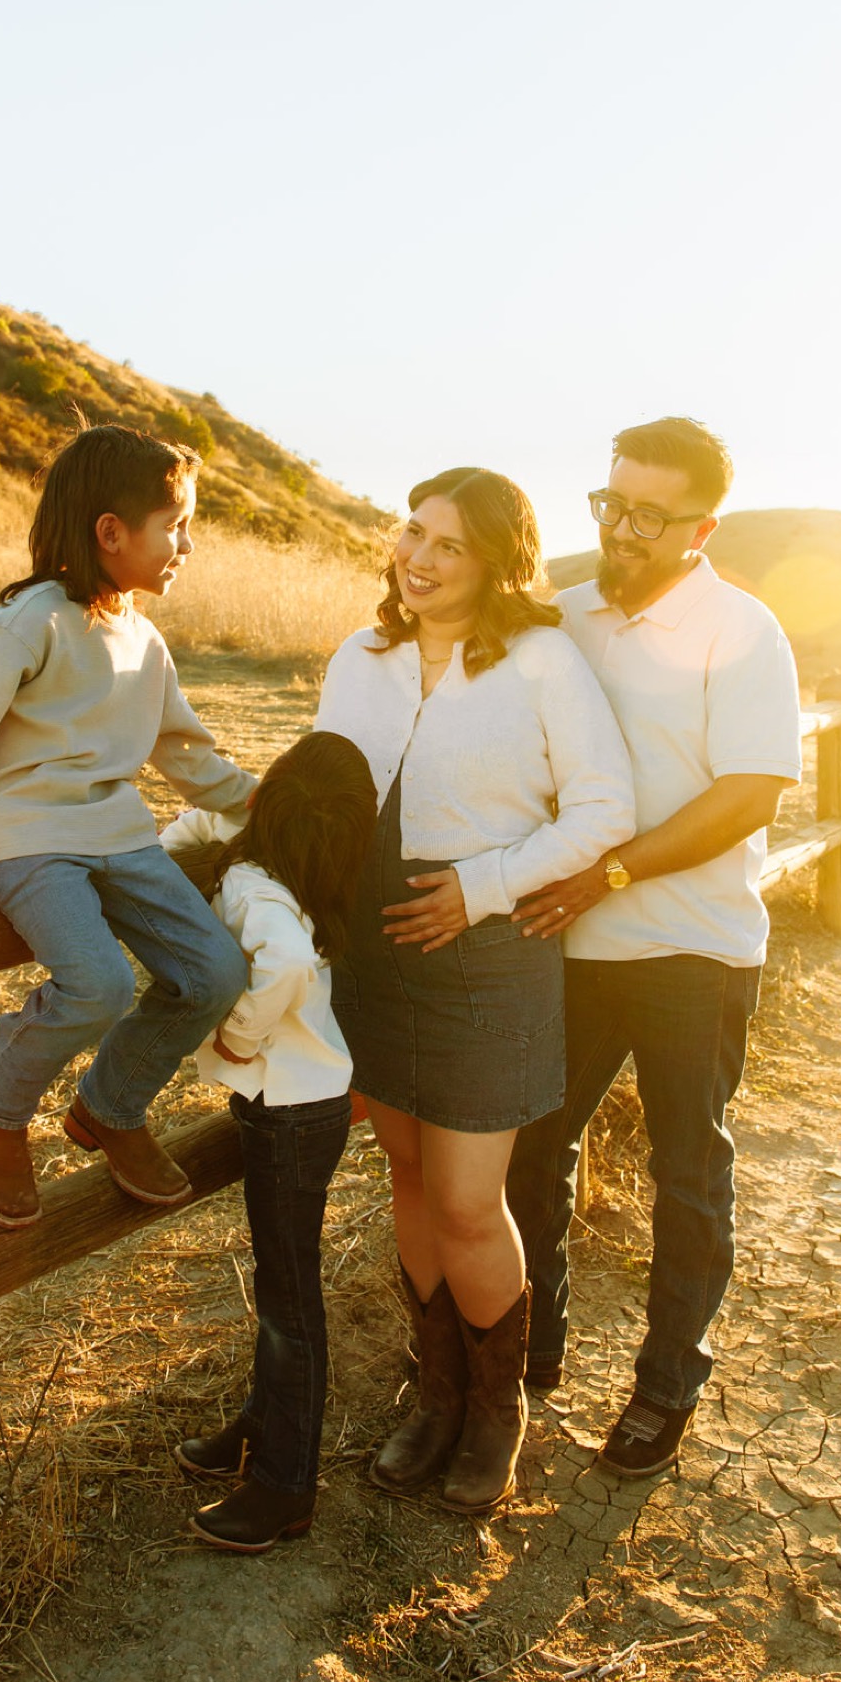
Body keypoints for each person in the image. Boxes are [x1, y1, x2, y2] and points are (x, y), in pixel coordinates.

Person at [316, 468, 634, 1514]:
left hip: (487, 947)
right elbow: (326, 792)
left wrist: (480, 888)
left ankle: (499, 1409)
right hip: (374, 948)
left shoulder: (543, 660)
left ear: (500, 559)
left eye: (450, 542)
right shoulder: (360, 659)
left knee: (466, 1194)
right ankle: (438, 1389)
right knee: (406, 1174)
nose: (421, 556)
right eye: (414, 531)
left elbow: (604, 809)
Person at [505, 417, 801, 1479]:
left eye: (648, 514)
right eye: (610, 503)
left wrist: (613, 869)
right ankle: (529, 1354)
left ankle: (668, 1379)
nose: (622, 527)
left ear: (701, 525)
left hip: (695, 947)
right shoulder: (564, 614)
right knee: (533, 1149)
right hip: (568, 945)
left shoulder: (744, 627)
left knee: (688, 1169)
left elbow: (750, 792)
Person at [0, 421, 253, 1227]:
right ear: (112, 531)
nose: (186, 544)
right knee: (99, 983)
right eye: (177, 525)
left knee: (216, 972)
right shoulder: (32, 623)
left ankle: (111, 1105)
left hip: (120, 835)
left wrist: (264, 804)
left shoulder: (145, 639)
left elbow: (186, 754)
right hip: (28, 840)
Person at [160, 731, 379, 1554]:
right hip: (302, 1107)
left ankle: (286, 1486)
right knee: (279, 1279)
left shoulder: (254, 882)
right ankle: (260, 1424)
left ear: (275, 796)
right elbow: (191, 832)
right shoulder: (295, 872)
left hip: (288, 1109)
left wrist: (241, 1038)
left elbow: (281, 963)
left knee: (290, 1298)